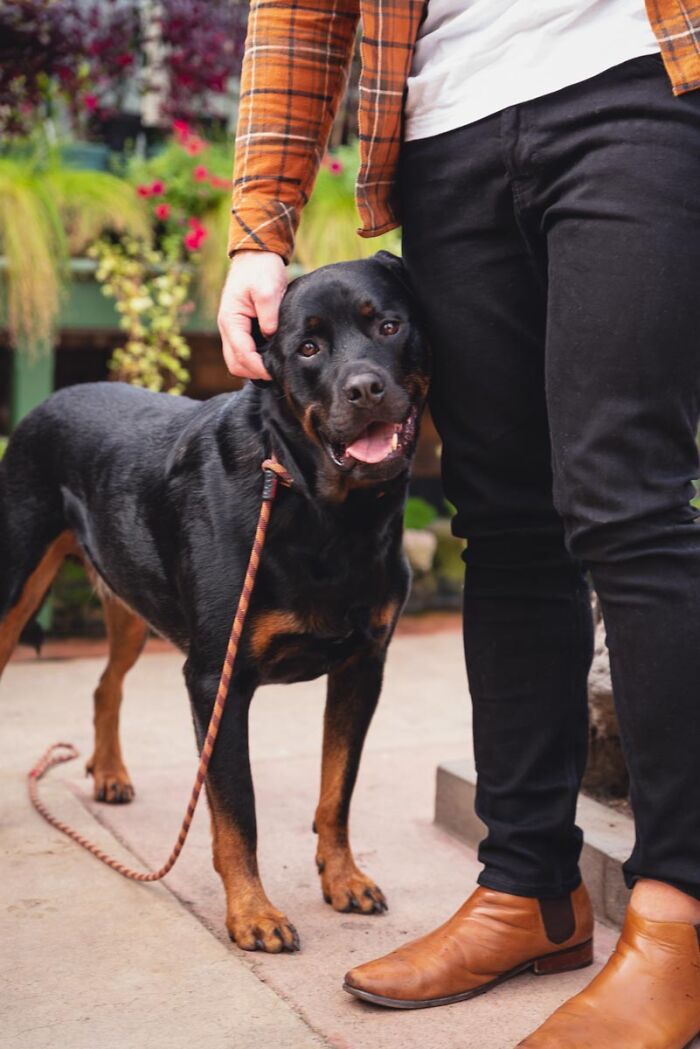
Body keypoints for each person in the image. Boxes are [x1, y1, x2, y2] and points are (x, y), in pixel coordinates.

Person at [218, 2, 700, 1044]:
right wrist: (261, 220)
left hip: (639, 77)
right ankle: (528, 888)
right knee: (505, 523)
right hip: (446, 124)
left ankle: (679, 916)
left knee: (628, 505)